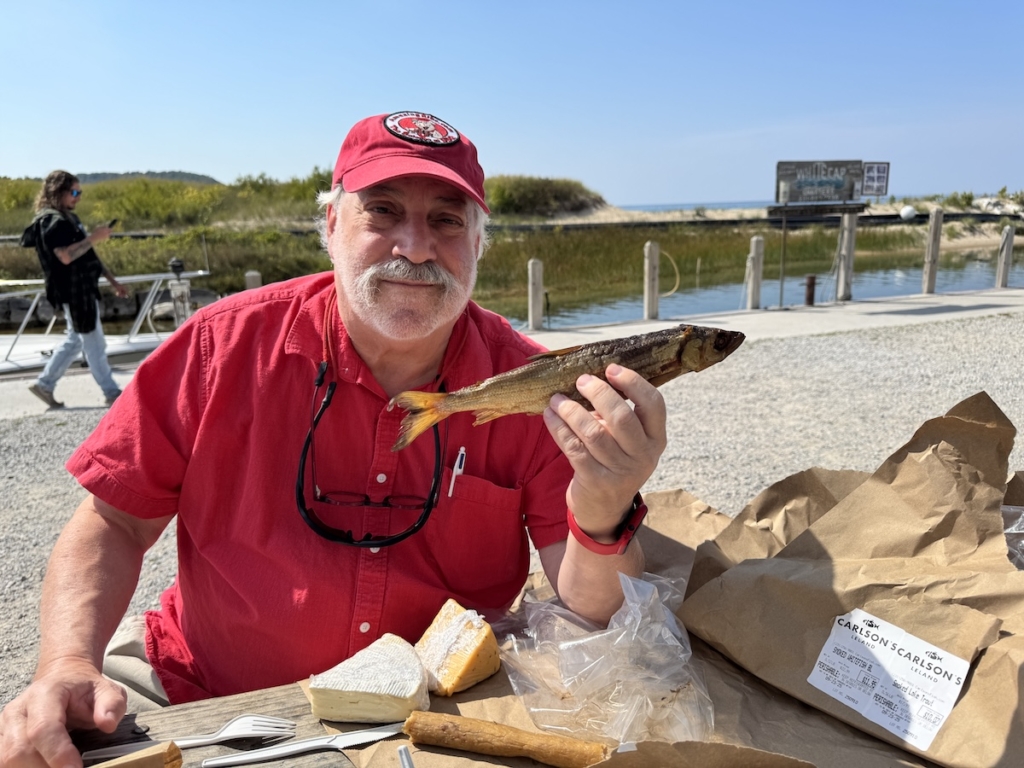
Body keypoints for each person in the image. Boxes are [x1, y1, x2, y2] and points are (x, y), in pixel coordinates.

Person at [0, 112, 666, 768]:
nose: (415, 247)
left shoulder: (537, 385)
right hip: (201, 687)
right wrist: (66, 662)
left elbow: (595, 615)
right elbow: (114, 520)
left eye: (446, 219)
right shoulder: (218, 347)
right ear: (330, 225)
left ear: (478, 243)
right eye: (382, 211)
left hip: (436, 721)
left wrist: (604, 506)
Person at [23, 170, 128, 409]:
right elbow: (65, 256)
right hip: (74, 292)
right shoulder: (52, 222)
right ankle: (112, 392)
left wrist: (112, 281)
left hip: (81, 289)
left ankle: (45, 384)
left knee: (75, 340)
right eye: (73, 192)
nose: (78, 197)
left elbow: (88, 255)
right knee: (94, 342)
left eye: (80, 192)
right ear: (58, 192)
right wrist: (94, 237)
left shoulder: (67, 218)